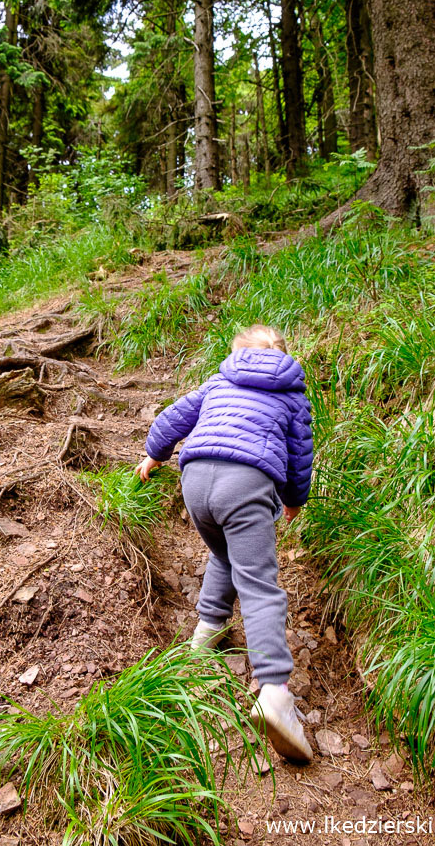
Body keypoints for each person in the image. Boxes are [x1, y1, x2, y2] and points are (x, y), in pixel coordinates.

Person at [136, 323, 314, 762]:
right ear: (284, 358)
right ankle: (275, 692)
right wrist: (294, 501)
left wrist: (155, 453)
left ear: (239, 353)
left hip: (195, 481)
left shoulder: (218, 380)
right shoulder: (293, 397)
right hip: (246, 483)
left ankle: (207, 631)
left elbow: (175, 416)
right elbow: (299, 456)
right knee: (258, 583)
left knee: (223, 552)